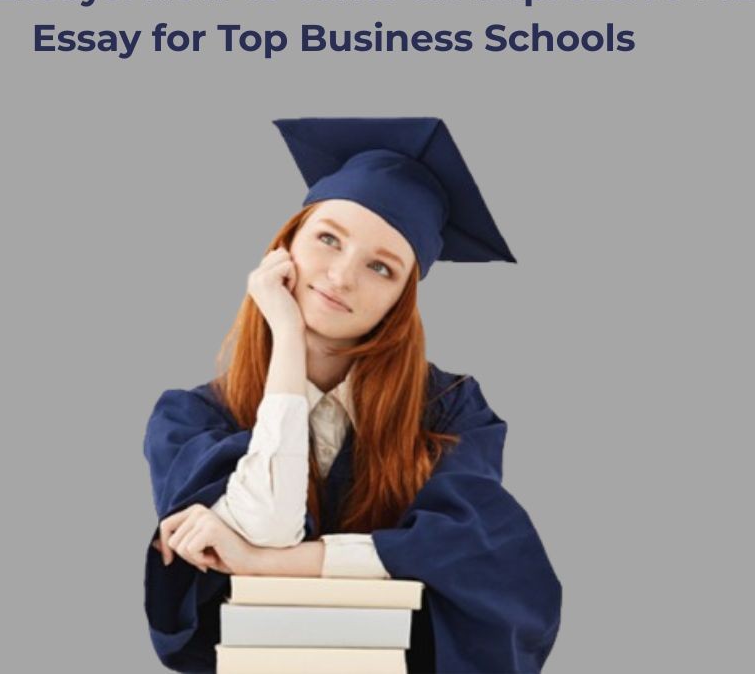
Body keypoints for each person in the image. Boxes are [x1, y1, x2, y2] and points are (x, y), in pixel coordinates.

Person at [143, 118, 562, 673]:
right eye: (327, 238)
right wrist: (287, 338)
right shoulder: (192, 416)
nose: (341, 277)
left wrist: (262, 563)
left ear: (401, 301)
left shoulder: (450, 408)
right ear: (284, 245)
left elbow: (478, 557)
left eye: (381, 267)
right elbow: (265, 522)